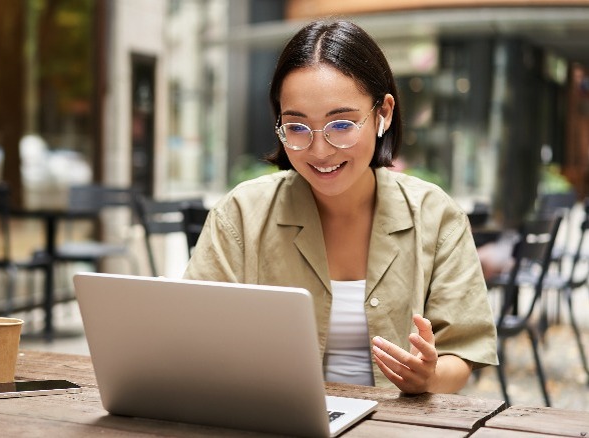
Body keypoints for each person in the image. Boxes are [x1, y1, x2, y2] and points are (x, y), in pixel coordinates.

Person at [183, 20, 498, 394]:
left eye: (342, 124)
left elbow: (460, 352)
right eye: (297, 128)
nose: (319, 150)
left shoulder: (436, 216)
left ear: (383, 114)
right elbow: (192, 340)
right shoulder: (240, 216)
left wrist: (428, 377)